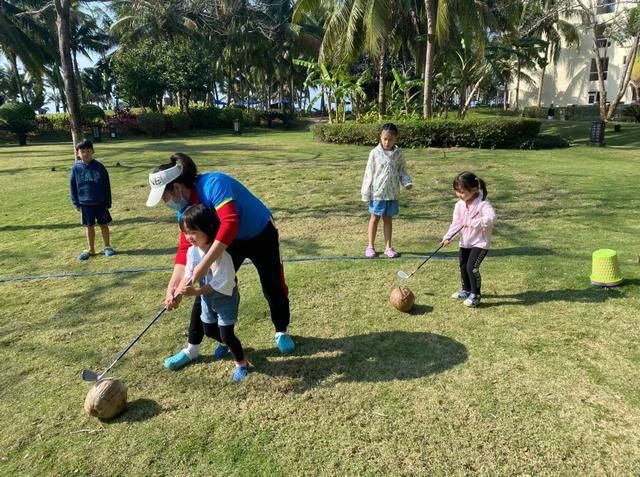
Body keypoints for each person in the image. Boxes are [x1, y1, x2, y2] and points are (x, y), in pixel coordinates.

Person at [146, 153, 294, 370]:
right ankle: (192, 348)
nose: (165, 203)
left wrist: (202, 267)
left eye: (164, 198)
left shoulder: (214, 183)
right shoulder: (185, 211)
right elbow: (185, 251)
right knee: (206, 288)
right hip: (228, 242)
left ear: (177, 188)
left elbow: (230, 222)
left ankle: (282, 330)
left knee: (272, 284)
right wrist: (173, 287)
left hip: (260, 233)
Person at [169, 204, 249, 382]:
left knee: (228, 334)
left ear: (209, 229)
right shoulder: (192, 252)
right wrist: (177, 295)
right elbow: (188, 275)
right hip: (207, 299)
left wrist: (196, 291)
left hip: (224, 297)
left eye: (194, 232)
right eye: (186, 232)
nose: (189, 237)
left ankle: (242, 364)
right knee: (208, 329)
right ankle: (224, 343)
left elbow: (221, 282)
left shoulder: (221, 254)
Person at [442, 171, 496, 308]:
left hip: (480, 243)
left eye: (462, 192)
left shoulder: (483, 204)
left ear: (473, 190)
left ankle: (475, 295)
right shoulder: (459, 205)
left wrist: (473, 223)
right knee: (463, 265)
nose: (459, 195)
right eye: (457, 191)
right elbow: (456, 223)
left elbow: (491, 219)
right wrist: (448, 237)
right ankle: (466, 290)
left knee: (472, 267)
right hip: (465, 242)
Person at [360, 123, 412, 259]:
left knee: (388, 219)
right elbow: (369, 173)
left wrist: (406, 182)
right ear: (381, 138)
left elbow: (402, 170)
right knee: (374, 218)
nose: (387, 142)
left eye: (391, 139)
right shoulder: (374, 153)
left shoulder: (398, 154)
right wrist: (366, 192)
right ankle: (370, 246)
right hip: (377, 193)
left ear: (396, 139)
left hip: (392, 193)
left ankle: (388, 247)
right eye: (385, 139)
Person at [70, 139, 116, 260]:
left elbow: (106, 185)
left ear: (93, 151)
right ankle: (91, 249)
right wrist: (76, 203)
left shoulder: (99, 167)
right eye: (82, 151)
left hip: (100, 202)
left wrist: (108, 202)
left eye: (88, 151)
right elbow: (73, 186)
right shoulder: (75, 168)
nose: (85, 153)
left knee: (103, 224)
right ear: (78, 153)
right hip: (85, 204)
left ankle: (107, 247)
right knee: (89, 226)